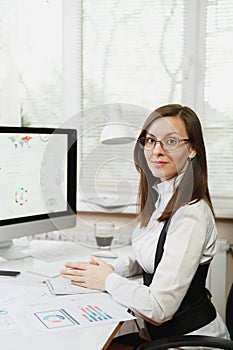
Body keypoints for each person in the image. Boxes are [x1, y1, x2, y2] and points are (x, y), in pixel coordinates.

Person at [60, 104, 229, 349]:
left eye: (170, 141)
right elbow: (155, 260)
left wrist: (107, 280)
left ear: (192, 149)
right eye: (150, 141)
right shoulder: (161, 198)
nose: (156, 151)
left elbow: (159, 308)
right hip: (159, 336)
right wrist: (109, 269)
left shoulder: (190, 216)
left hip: (188, 342)